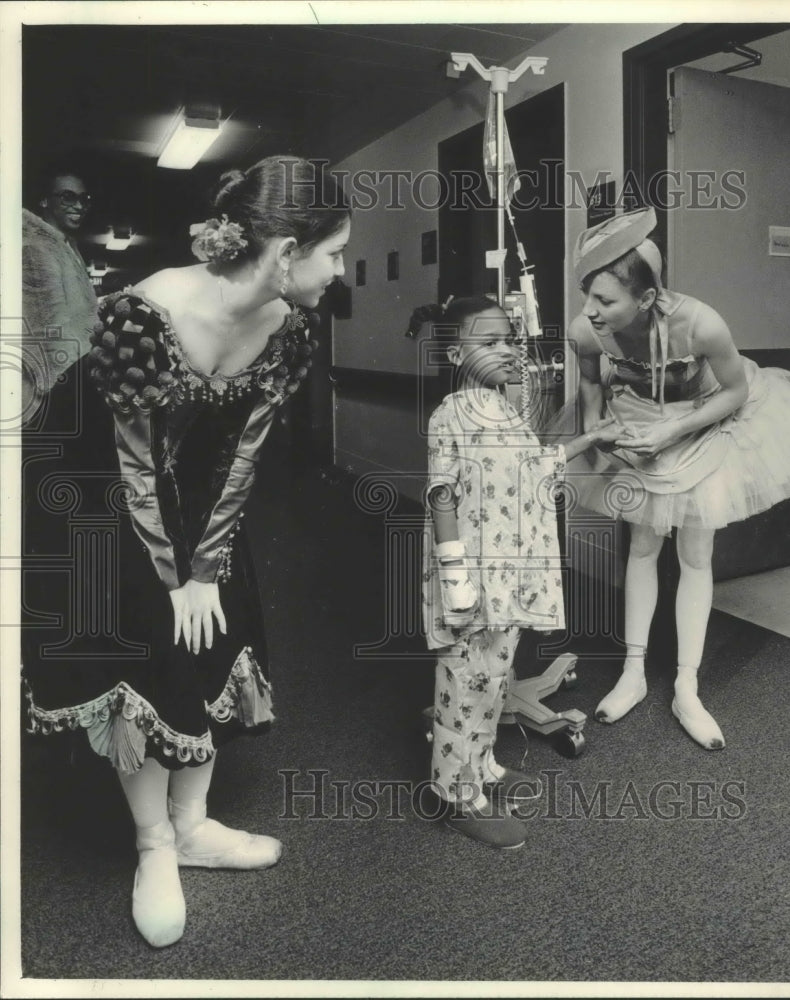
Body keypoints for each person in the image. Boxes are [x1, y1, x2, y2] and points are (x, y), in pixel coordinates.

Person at [22, 155, 351, 947]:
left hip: (187, 485)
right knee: (145, 634)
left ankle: (195, 824)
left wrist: (204, 571)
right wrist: (170, 580)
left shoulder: (287, 327)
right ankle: (154, 844)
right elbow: (128, 462)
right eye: (334, 252)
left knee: (221, 615)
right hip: (88, 483)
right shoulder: (144, 312)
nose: (338, 272)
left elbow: (242, 455)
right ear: (284, 253)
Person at [556, 207, 790, 750]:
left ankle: (687, 684)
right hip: (638, 422)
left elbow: (735, 392)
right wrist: (595, 432)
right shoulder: (587, 330)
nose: (590, 310)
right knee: (641, 544)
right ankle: (632, 673)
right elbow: (589, 383)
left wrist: (673, 429)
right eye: (587, 295)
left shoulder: (701, 323)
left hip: (706, 421)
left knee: (695, 554)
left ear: (647, 299)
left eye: (605, 300)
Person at [420, 296, 621, 849]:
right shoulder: (451, 415)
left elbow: (534, 467)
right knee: (465, 680)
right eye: (490, 343)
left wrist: (588, 440)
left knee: (496, 676)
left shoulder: (504, 410)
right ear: (457, 352)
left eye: (511, 339)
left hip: (510, 573)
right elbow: (440, 494)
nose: (509, 350)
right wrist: (456, 578)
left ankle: (481, 765)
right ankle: (454, 795)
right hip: (472, 576)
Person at [22, 166, 99, 406]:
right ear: (44, 201)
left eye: (84, 199)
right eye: (68, 197)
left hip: (77, 373)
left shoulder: (65, 246)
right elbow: (49, 327)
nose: (79, 206)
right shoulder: (36, 247)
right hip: (55, 389)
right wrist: (74, 391)